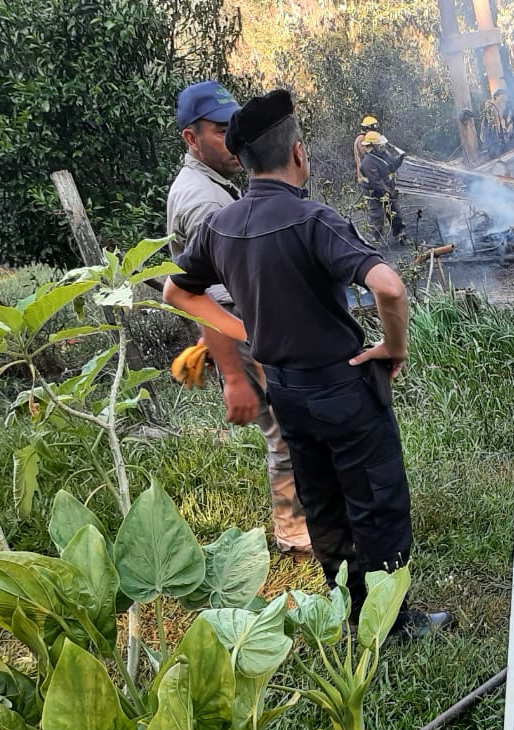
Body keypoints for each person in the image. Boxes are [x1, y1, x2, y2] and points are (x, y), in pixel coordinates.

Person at [164, 89, 452, 638]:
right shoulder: (314, 219)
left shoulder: (220, 225)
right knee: (376, 499)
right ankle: (389, 624)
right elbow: (389, 287)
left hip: (288, 394)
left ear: (243, 161)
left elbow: (178, 294)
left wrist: (247, 330)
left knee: (321, 501)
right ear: (299, 153)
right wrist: (395, 346)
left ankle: (345, 608)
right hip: (342, 386)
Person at [166, 80, 312, 558]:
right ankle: (294, 534)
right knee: (286, 433)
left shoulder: (214, 185)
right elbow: (203, 296)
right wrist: (232, 375)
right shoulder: (204, 202)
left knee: (293, 427)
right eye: (219, 131)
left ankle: (303, 522)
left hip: (253, 328)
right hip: (244, 333)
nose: (232, 141)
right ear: (191, 138)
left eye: (234, 128)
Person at [358, 131, 406, 243]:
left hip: (387, 190)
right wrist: (388, 192)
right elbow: (375, 183)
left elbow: (392, 167)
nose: (382, 146)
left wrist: (400, 159)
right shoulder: (368, 162)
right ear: (373, 146)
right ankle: (373, 241)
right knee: (376, 217)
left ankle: (400, 235)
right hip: (374, 195)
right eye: (379, 145)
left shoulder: (384, 155)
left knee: (395, 213)